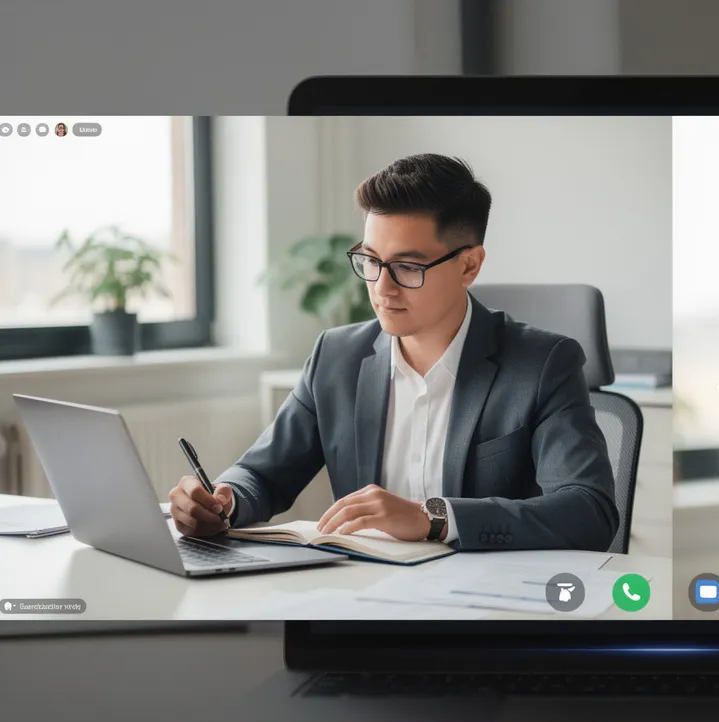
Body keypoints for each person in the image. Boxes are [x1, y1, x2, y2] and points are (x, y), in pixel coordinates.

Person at [169, 154, 618, 552]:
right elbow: (263, 475)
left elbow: (588, 510)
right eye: (370, 261)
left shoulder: (542, 364)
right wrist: (222, 500)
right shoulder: (337, 356)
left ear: (469, 265)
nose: (381, 288)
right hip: (368, 599)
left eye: (407, 266)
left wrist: (434, 518)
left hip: (489, 607)